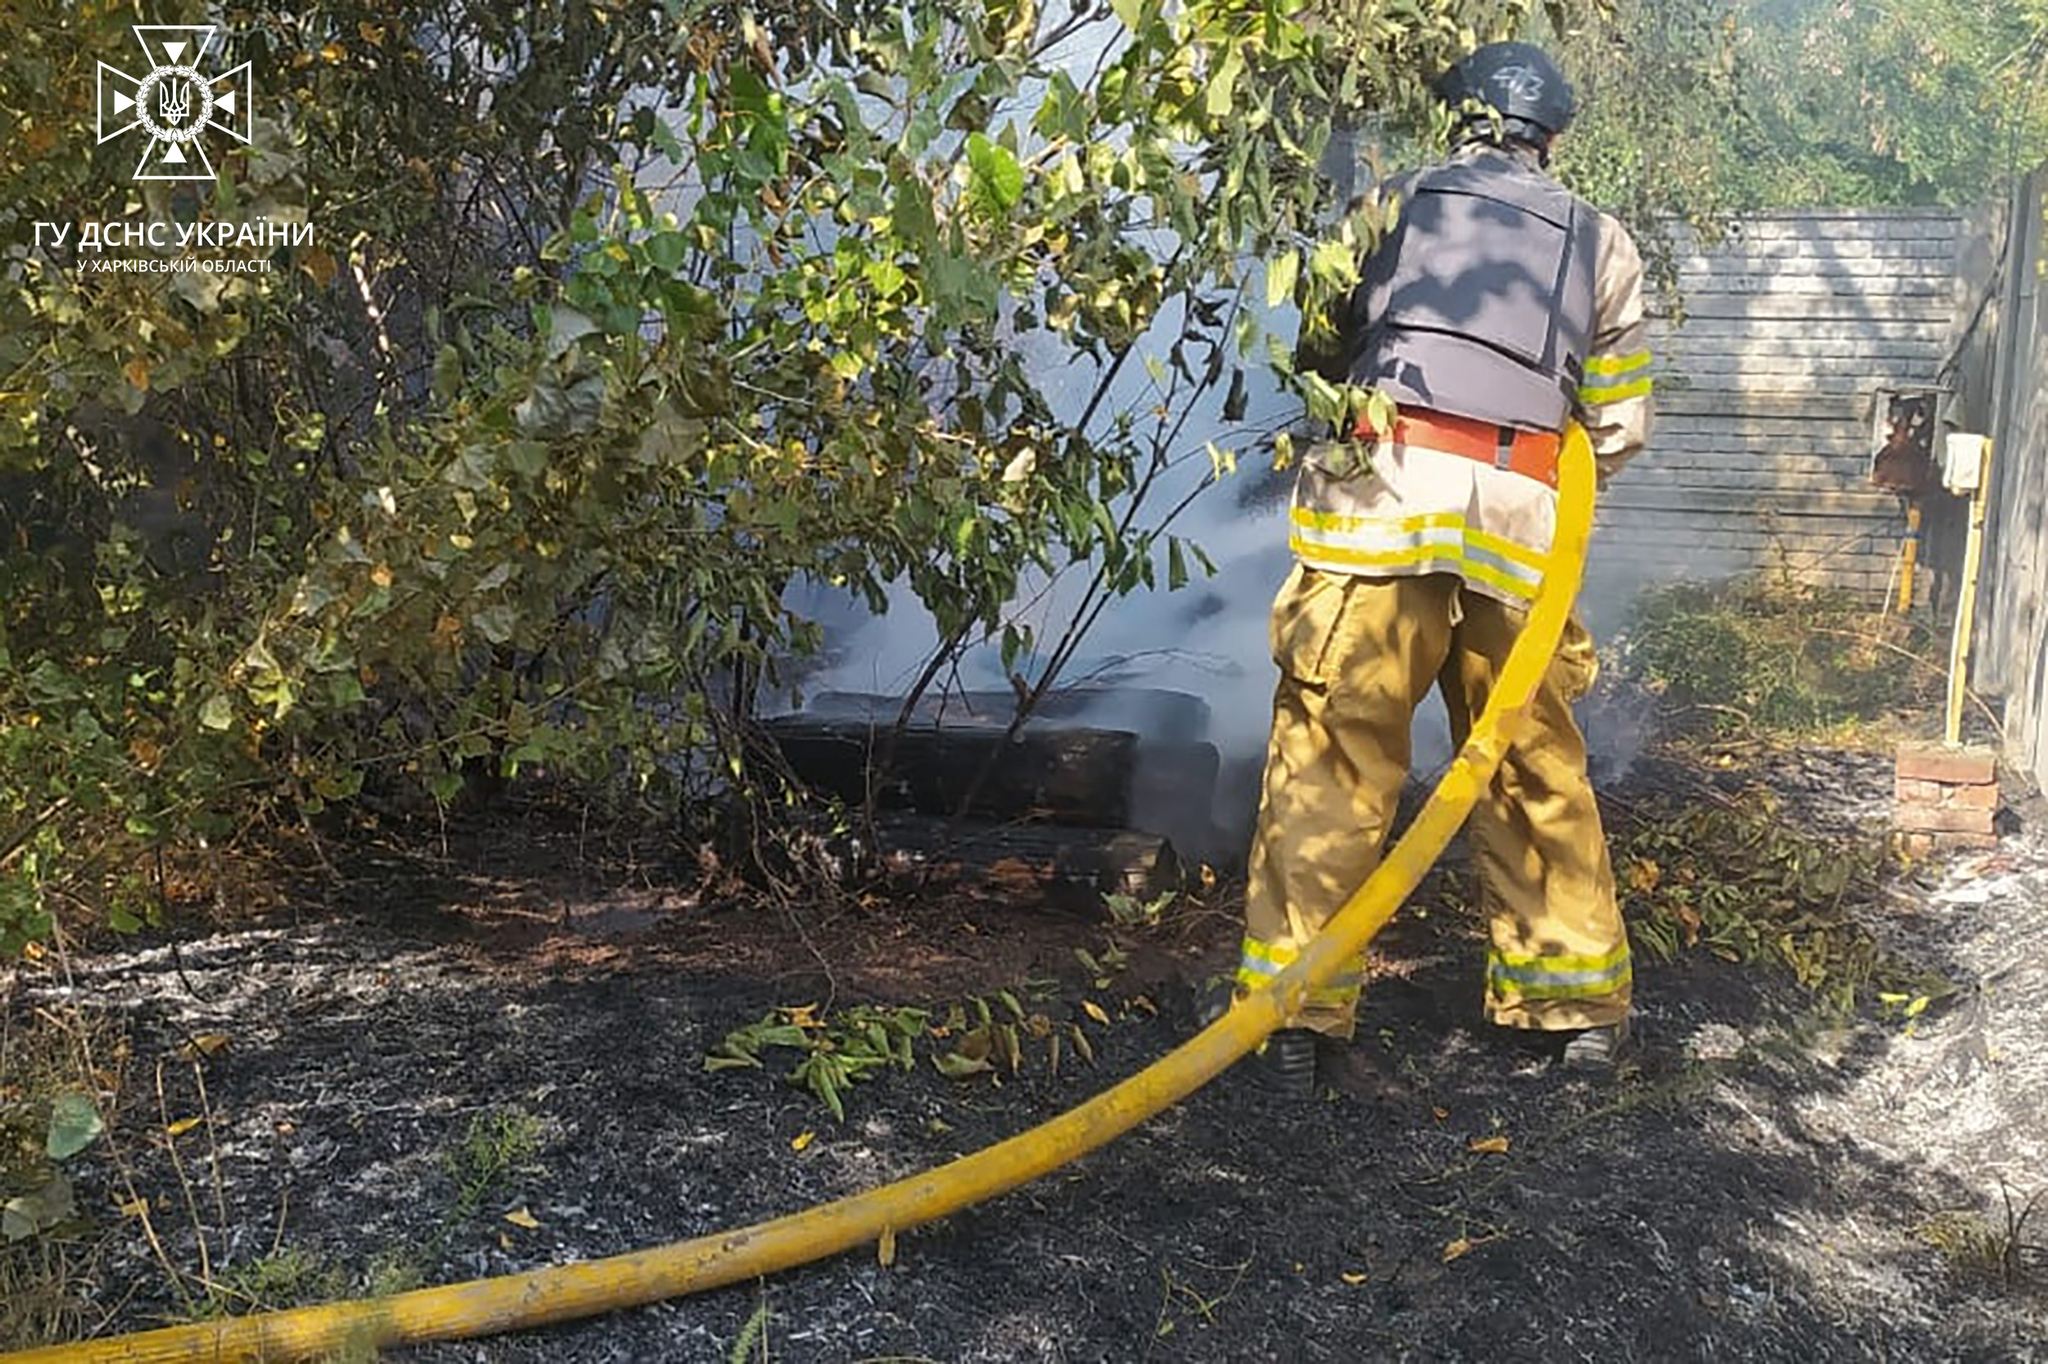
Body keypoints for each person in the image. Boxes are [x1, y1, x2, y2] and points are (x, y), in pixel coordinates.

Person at [1236, 41, 1654, 1097]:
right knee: (1530, 761)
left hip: (1377, 516)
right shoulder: (1602, 244)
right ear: (1549, 136)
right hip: (1518, 536)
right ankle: (1576, 1010)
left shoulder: (1380, 210)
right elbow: (1617, 424)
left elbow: (1320, 359)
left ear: (1459, 119)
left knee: (1332, 758)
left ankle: (1294, 1014)